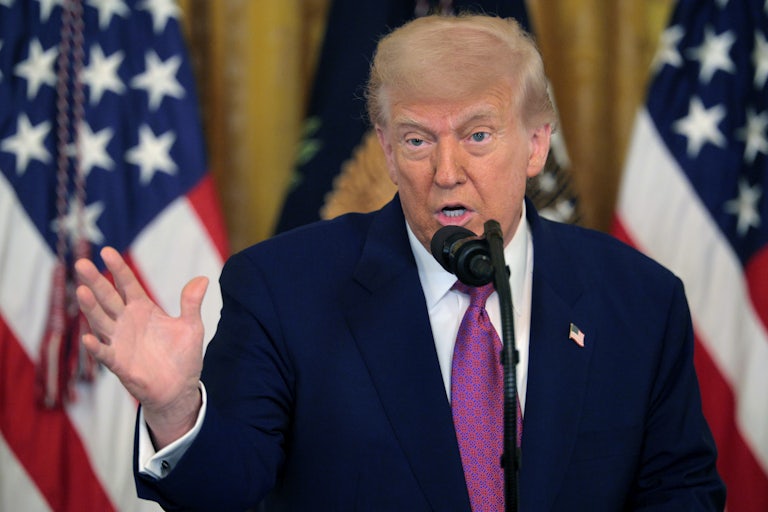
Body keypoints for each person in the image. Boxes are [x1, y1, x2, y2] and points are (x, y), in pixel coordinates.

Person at [75, 13, 725, 511]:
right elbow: (226, 492)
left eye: (477, 134)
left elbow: (683, 491)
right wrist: (175, 412)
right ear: (386, 150)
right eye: (417, 140)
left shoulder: (639, 300)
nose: (447, 172)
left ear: (535, 144)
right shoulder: (282, 289)